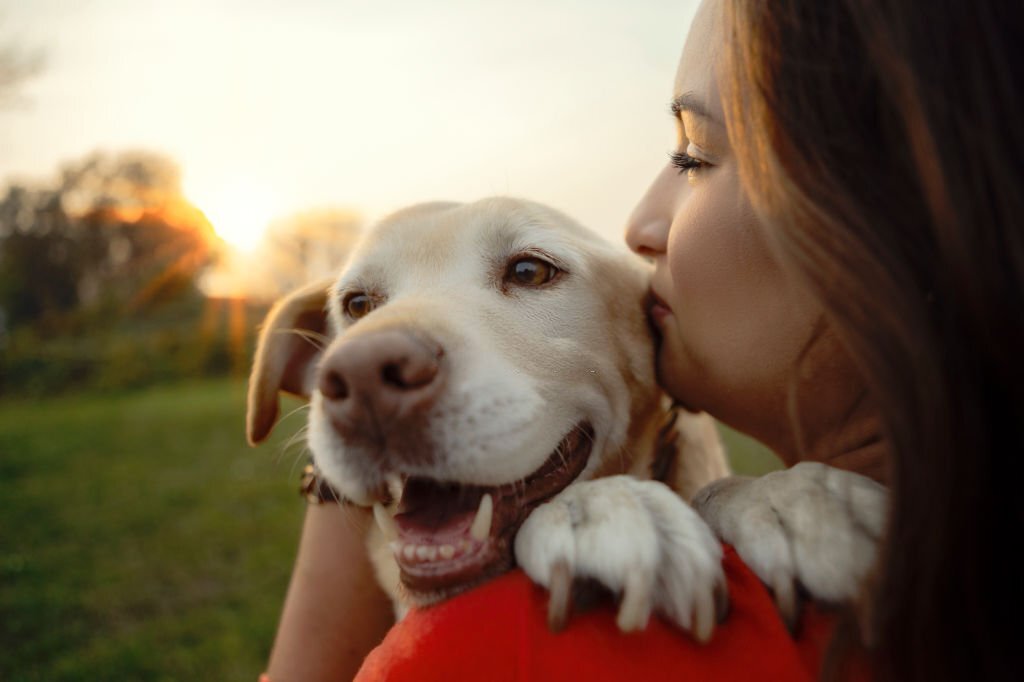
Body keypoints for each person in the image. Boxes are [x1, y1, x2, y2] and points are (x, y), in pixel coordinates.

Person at [264, 0, 1023, 679]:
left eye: (695, 156)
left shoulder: (497, 651)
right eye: (358, 307)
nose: (639, 226)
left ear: (910, 213)